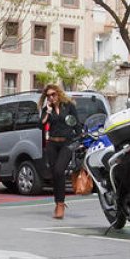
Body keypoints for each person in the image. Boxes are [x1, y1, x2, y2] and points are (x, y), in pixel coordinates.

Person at [40, 83, 80, 219]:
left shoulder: (69, 106)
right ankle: (58, 203)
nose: (51, 97)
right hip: (52, 143)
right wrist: (48, 111)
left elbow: (76, 123)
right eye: (48, 96)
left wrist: (80, 139)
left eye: (53, 94)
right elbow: (41, 124)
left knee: (59, 170)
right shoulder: (47, 109)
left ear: (58, 93)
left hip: (66, 143)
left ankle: (61, 204)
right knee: (55, 174)